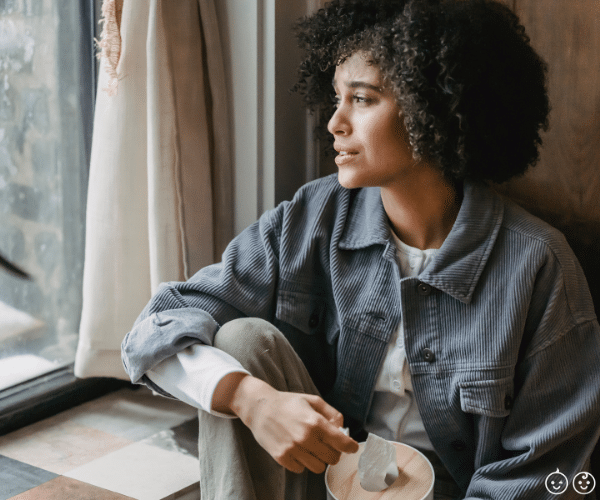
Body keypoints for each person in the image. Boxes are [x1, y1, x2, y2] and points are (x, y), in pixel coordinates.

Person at [121, 0, 600, 499]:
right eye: (336, 98)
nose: (334, 123)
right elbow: (155, 327)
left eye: (363, 99)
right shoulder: (314, 217)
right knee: (242, 341)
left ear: (433, 107)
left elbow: (548, 474)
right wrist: (251, 399)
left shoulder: (538, 266)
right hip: (321, 478)